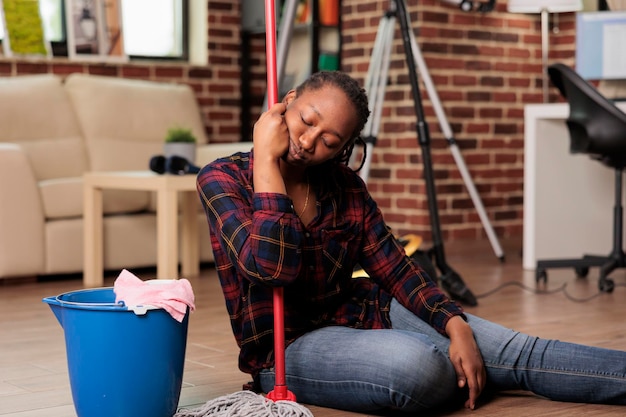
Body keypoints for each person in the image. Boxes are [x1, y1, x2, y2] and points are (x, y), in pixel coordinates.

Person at [197, 71, 626, 414]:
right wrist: (266, 159)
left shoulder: (345, 187)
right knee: (419, 366)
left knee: (513, 349)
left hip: (362, 311)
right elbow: (271, 268)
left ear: (344, 148)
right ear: (286, 103)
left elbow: (396, 268)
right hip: (286, 351)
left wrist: (454, 324)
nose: (309, 142)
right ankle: (455, 368)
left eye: (330, 141)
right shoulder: (222, 180)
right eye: (306, 121)